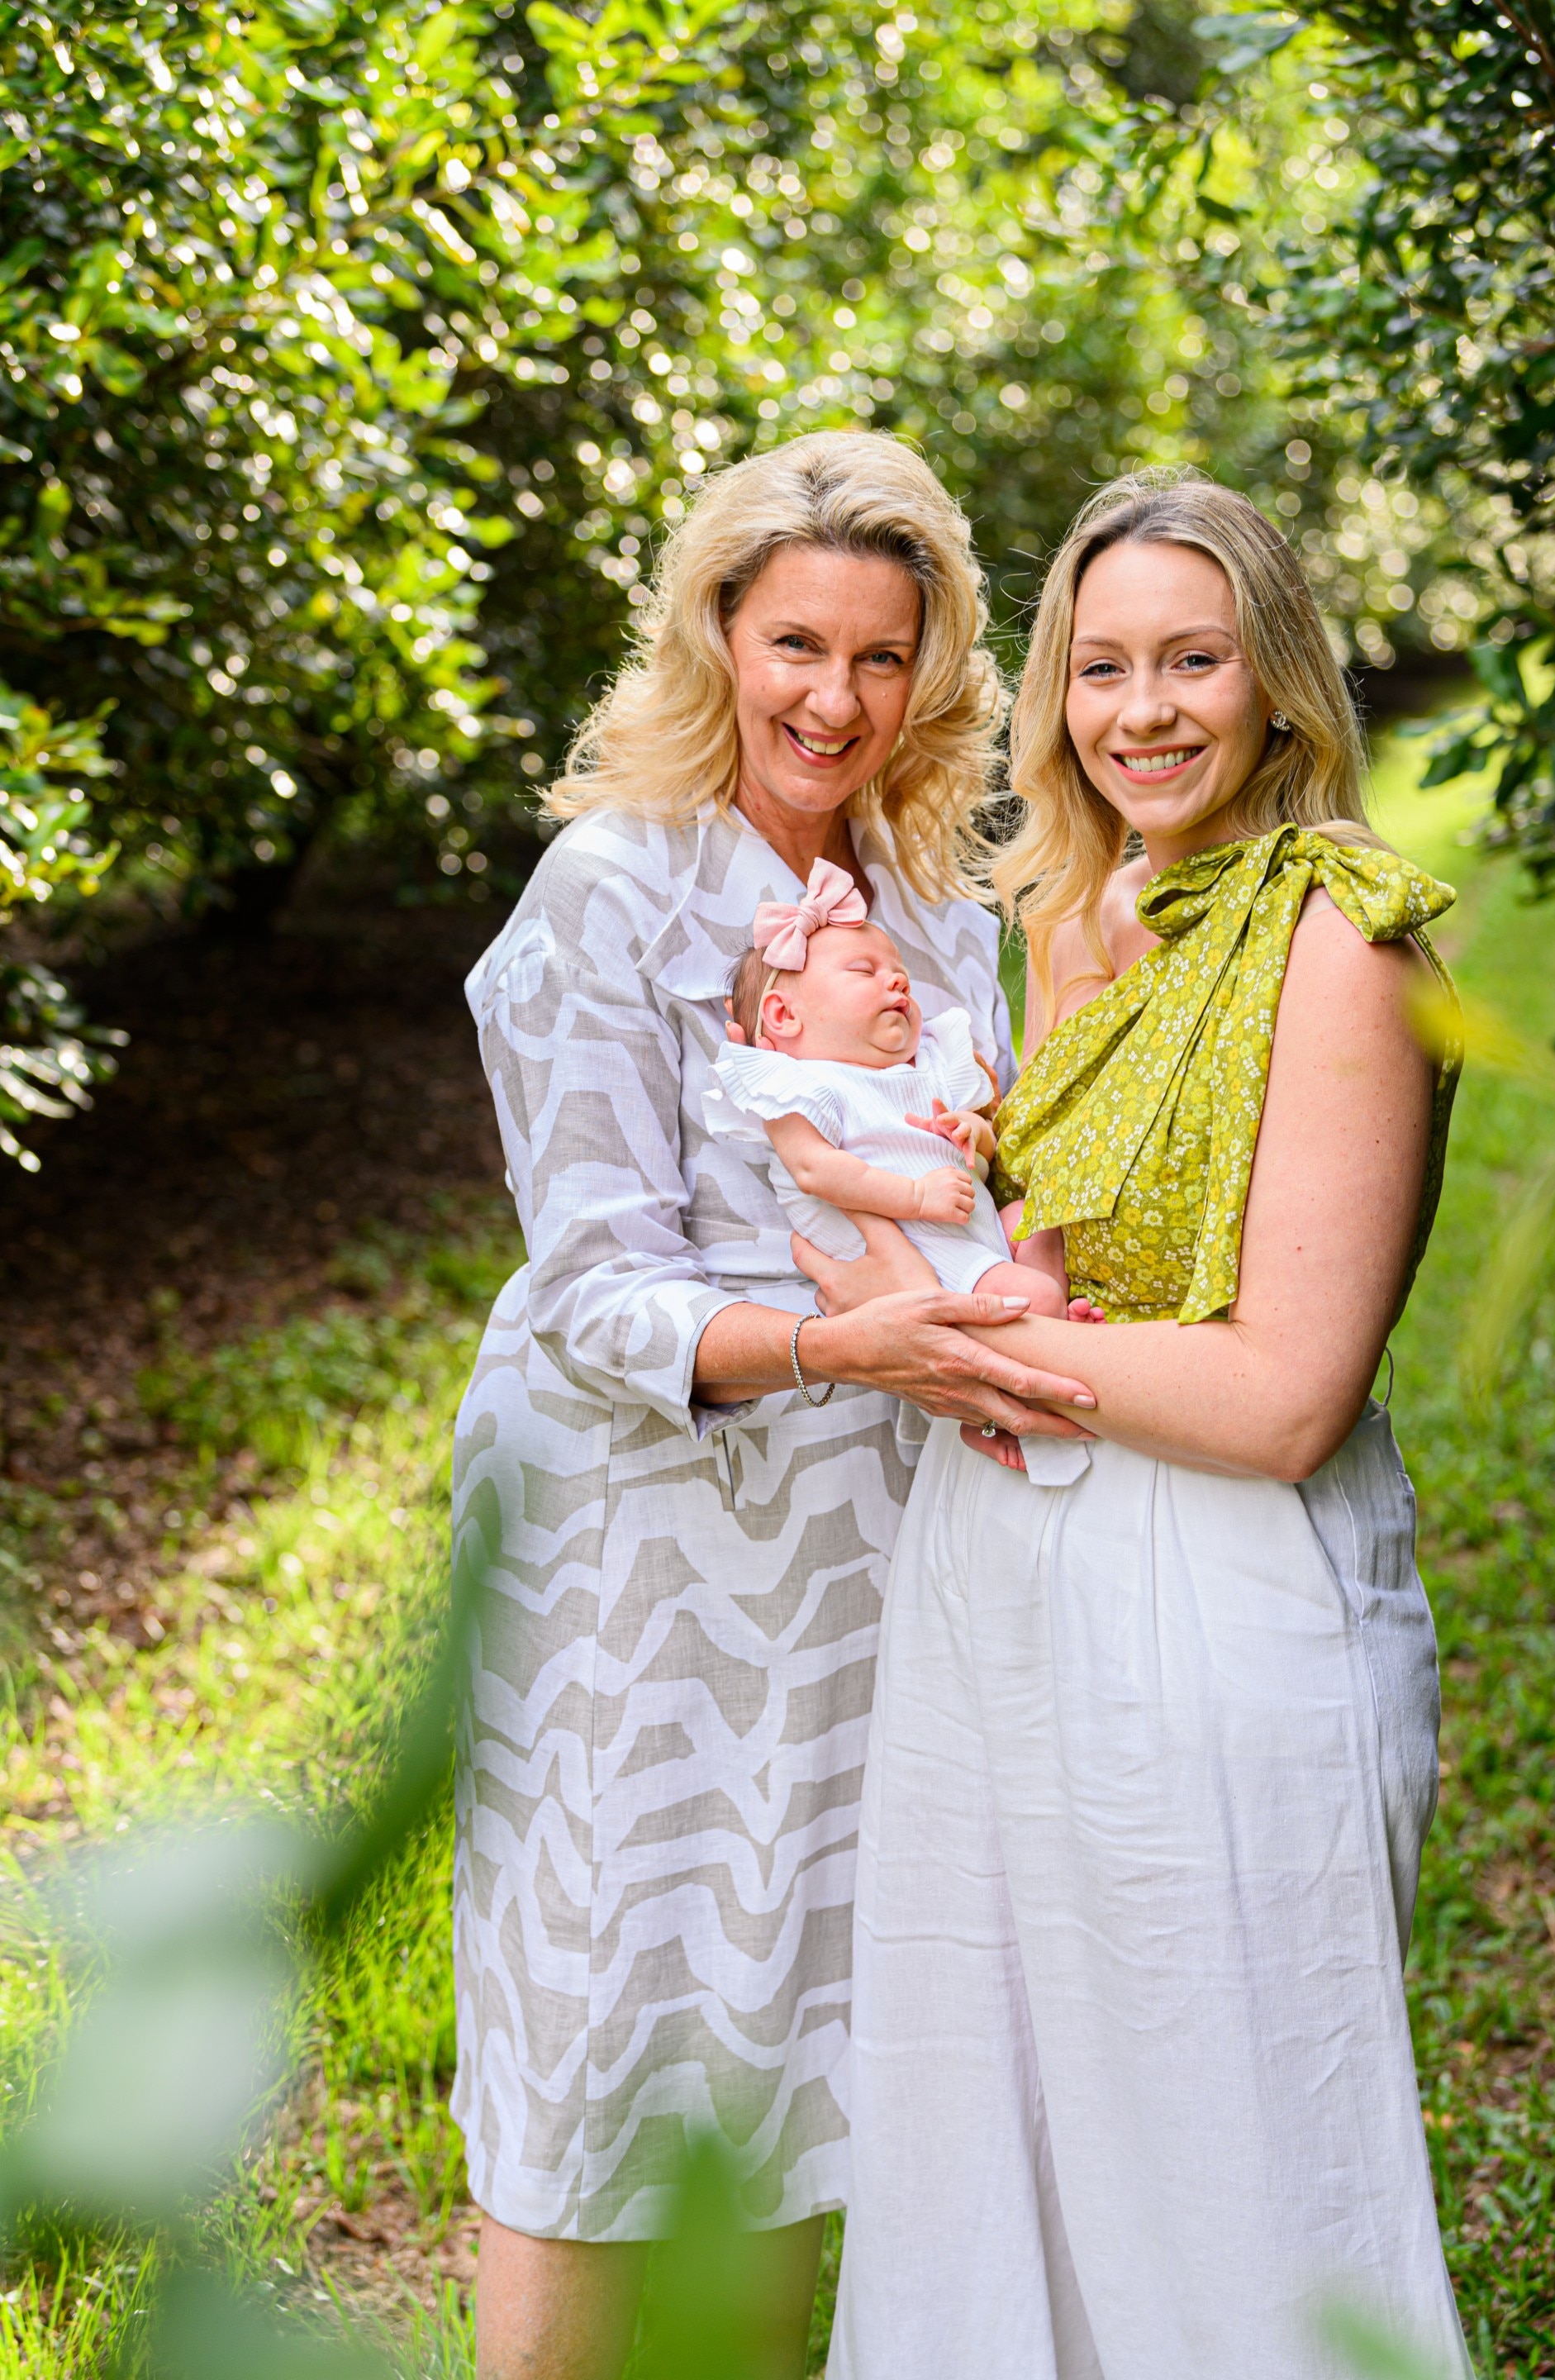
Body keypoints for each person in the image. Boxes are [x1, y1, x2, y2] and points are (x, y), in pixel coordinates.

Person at [808, 469, 1473, 2378]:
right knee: (999, 2148)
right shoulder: (1082, 907)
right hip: (1013, 1583)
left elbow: (1279, 1396)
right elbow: (1053, 1257)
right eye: (1100, 667)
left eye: (1192, 659)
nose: (1142, 710)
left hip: (1225, 1589)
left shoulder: (1343, 939)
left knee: (1235, 2172)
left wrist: (973, 1356)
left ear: (1277, 680)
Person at [450, 428, 1095, 2380]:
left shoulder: (928, 907)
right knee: (608, 2013)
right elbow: (590, 1294)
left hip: (871, 1550)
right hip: (635, 1542)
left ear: (937, 671)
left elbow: (970, 1189)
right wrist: (834, 1348)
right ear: (714, 629)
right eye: (793, 640)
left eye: (882, 655)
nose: (833, 696)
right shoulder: (610, 889)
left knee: (811, 2016)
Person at [705, 856, 1079, 1316]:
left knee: (1037, 1219)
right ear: (784, 1016)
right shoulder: (802, 1086)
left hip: (971, 1231)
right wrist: (916, 1197)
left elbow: (982, 1162)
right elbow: (814, 1171)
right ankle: (1050, 1323)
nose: (898, 979)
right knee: (1036, 1295)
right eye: (865, 971)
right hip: (925, 1250)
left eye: (899, 972)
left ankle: (1049, 1324)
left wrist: (972, 1132)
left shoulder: (932, 1060)